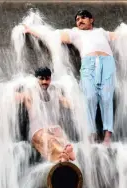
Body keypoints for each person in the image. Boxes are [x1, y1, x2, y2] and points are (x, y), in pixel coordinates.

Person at [23, 9, 119, 145]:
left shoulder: (102, 32)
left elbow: (120, 35)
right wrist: (32, 31)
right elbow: (52, 35)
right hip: (89, 63)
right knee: (89, 97)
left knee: (106, 97)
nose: (80, 20)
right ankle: (91, 134)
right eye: (78, 19)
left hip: (107, 62)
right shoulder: (75, 33)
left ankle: (107, 135)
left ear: (92, 20)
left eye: (83, 17)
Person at [14, 67, 76, 163]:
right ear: (36, 80)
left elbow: (67, 103)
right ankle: (62, 157)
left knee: (66, 145)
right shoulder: (29, 92)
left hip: (55, 129)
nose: (44, 82)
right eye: (41, 79)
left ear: (50, 79)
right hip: (38, 130)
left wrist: (76, 101)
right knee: (51, 141)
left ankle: (64, 156)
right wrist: (14, 90)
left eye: (47, 79)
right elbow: (15, 98)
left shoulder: (55, 92)